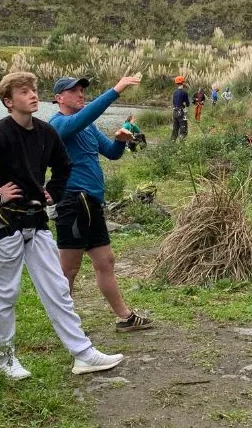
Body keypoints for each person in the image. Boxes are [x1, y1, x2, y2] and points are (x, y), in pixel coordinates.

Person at [0, 71, 123, 379]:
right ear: (9, 101)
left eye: (33, 90)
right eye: (23, 92)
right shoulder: (0, 133)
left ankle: (83, 354)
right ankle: (6, 361)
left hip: (37, 222)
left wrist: (53, 192)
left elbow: (64, 166)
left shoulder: (46, 133)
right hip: (5, 225)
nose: (32, 95)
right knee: (6, 293)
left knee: (58, 288)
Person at [49, 75, 154, 333]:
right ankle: (65, 325)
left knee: (106, 261)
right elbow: (84, 117)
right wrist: (116, 90)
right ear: (58, 98)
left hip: (92, 202)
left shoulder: (89, 128)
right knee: (69, 268)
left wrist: (121, 139)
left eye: (82, 89)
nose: (80, 94)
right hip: (73, 202)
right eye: (73, 91)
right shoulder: (58, 124)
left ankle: (124, 317)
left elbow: (112, 154)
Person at [171, 76, 190, 140]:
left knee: (175, 129)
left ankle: (171, 143)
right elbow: (188, 104)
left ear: (176, 83)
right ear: (183, 83)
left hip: (175, 112)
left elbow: (173, 102)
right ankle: (182, 145)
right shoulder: (184, 92)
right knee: (183, 129)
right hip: (182, 112)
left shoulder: (174, 92)